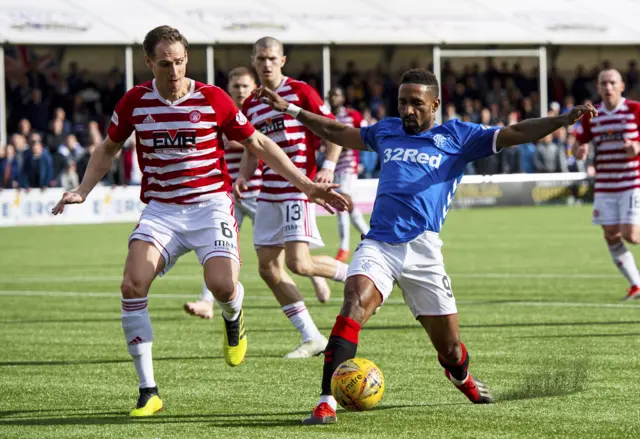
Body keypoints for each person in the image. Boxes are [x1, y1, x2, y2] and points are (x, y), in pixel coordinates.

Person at [254, 67, 597, 424]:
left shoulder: (459, 136)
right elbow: (336, 131)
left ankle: (460, 376)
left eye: (416, 103)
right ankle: (326, 401)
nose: (407, 110)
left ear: (435, 104)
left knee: (450, 348)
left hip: (424, 251)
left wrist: (562, 119)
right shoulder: (386, 130)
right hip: (379, 245)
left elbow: (515, 132)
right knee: (354, 302)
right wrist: (289, 110)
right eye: (402, 102)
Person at [51, 25, 347, 418]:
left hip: (210, 206)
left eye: (179, 62)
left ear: (187, 59)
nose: (173, 70)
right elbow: (108, 148)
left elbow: (257, 142)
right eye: (164, 63)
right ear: (148, 62)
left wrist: (307, 185)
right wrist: (84, 190)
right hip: (162, 209)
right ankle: (148, 390)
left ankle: (233, 312)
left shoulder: (213, 98)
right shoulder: (135, 102)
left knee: (223, 285)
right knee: (131, 283)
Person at [184, 67, 332, 319]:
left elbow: (253, 145)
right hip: (230, 195)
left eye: (245, 86)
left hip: (259, 191)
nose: (240, 91)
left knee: (293, 259)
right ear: (228, 88)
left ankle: (315, 272)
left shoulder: (251, 112)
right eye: (235, 86)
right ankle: (207, 301)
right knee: (220, 245)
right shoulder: (224, 112)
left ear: (253, 86)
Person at [237, 36, 350, 358]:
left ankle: (361, 278)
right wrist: (244, 175)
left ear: (282, 60)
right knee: (268, 268)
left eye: (272, 58)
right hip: (268, 193)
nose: (267, 63)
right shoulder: (250, 105)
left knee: (299, 264)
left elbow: (333, 129)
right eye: (261, 59)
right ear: (254, 61)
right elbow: (252, 147)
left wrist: (328, 166)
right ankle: (311, 336)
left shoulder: (301, 92)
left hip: (298, 189)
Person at [573, 69, 640, 300]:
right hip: (605, 184)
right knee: (611, 233)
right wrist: (579, 150)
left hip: (631, 181)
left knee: (631, 234)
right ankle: (637, 285)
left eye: (612, 82)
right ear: (598, 87)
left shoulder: (635, 110)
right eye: (604, 83)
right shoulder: (593, 114)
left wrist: (637, 148)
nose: (608, 87)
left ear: (622, 86)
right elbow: (578, 144)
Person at [326, 86, 370, 262]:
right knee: (348, 206)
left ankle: (344, 247)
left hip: (348, 165)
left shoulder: (352, 116)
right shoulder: (327, 116)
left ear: (343, 98)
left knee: (342, 204)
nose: (333, 98)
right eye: (331, 95)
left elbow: (364, 135)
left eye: (337, 95)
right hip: (333, 166)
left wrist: (347, 145)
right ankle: (369, 236)